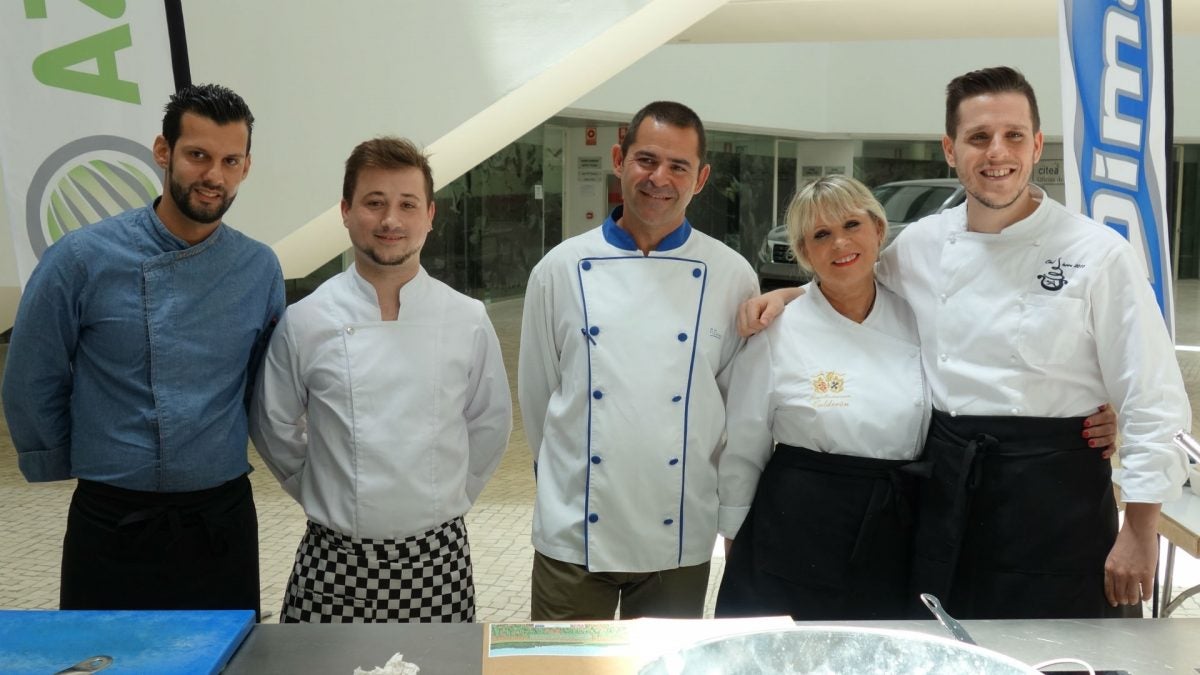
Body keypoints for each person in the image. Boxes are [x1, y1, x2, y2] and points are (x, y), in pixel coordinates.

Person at [740, 66, 1188, 619]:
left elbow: (1152, 397)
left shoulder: (1098, 253)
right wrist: (787, 300)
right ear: (950, 150)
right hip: (945, 487)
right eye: (978, 137)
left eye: (1013, 135)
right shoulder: (923, 243)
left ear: (1036, 144)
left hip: (1054, 491)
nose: (996, 152)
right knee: (946, 641)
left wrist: (1140, 528)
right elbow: (849, 278)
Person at [2, 84, 283, 617]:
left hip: (220, 518)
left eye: (230, 160)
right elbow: (32, 373)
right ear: (163, 151)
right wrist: (58, 457)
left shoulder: (258, 267)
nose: (213, 176)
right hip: (112, 518)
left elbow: (263, 383)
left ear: (246, 167)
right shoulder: (82, 257)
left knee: (224, 662)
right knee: (104, 662)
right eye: (197, 155)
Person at [249, 137, 512, 623]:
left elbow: (489, 424)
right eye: (374, 203)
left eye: (407, 204)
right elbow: (273, 424)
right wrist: (324, 488)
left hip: (437, 557)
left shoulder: (466, 318)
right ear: (346, 211)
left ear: (430, 215)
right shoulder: (307, 319)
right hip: (333, 560)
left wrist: (447, 495)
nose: (391, 220)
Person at [518, 101, 759, 620]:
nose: (659, 179)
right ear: (618, 159)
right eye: (646, 160)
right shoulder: (558, 269)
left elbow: (738, 410)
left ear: (702, 178)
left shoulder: (730, 274)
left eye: (679, 166)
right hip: (575, 531)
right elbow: (538, 399)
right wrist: (566, 485)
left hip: (679, 532)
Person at [715, 175, 927, 620]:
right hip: (798, 525)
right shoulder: (778, 330)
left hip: (898, 524)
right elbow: (744, 444)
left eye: (851, 225)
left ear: (878, 230)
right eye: (821, 235)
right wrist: (735, 538)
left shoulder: (919, 318)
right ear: (804, 253)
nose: (840, 244)